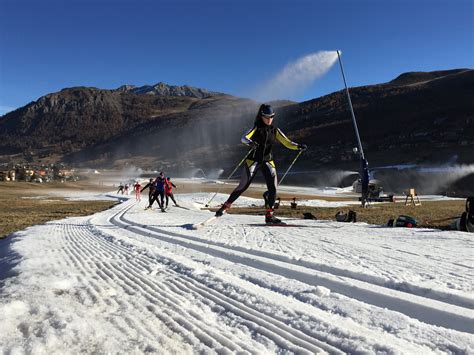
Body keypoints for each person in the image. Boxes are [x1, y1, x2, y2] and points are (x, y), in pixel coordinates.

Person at [215, 104, 307, 224]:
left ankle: (269, 216)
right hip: (253, 161)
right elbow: (244, 138)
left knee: (273, 189)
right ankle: (224, 208)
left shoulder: (275, 130)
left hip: (268, 161)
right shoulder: (256, 127)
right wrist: (250, 143)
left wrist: (298, 146)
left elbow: (287, 142)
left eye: (272, 117)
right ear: (261, 116)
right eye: (267, 117)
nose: (269, 119)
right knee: (243, 186)